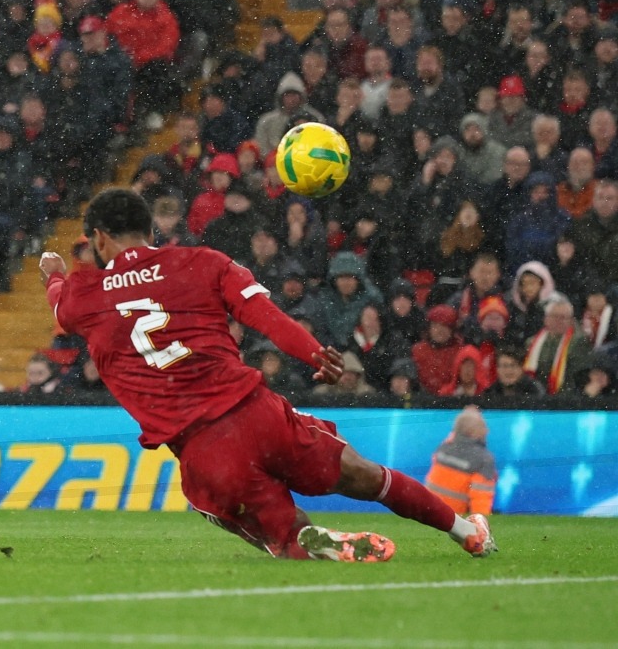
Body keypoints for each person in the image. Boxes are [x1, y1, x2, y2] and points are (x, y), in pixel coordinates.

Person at [39, 188, 495, 562]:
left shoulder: (85, 295)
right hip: (258, 413)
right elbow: (266, 316)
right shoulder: (204, 261)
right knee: (366, 474)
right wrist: (315, 352)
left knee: (261, 523)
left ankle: (303, 539)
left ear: (99, 239)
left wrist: (54, 274)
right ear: (151, 230)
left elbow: (59, 303)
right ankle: (465, 531)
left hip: (202, 446)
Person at [424, 406, 497, 516]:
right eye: (483, 427)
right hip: (453, 518)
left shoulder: (444, 447)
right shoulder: (484, 459)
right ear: (472, 432)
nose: (487, 430)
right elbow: (481, 497)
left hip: (427, 510)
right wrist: (481, 521)